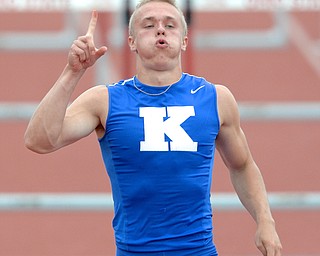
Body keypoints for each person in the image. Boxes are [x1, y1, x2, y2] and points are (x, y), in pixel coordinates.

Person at [24, 0, 282, 255]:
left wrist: (265, 221)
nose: (160, 29)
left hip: (199, 250)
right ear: (132, 41)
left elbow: (243, 165)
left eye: (170, 25)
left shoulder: (216, 99)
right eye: (149, 25)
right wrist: (72, 72)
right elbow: (39, 140)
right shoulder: (105, 101)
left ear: (184, 41)